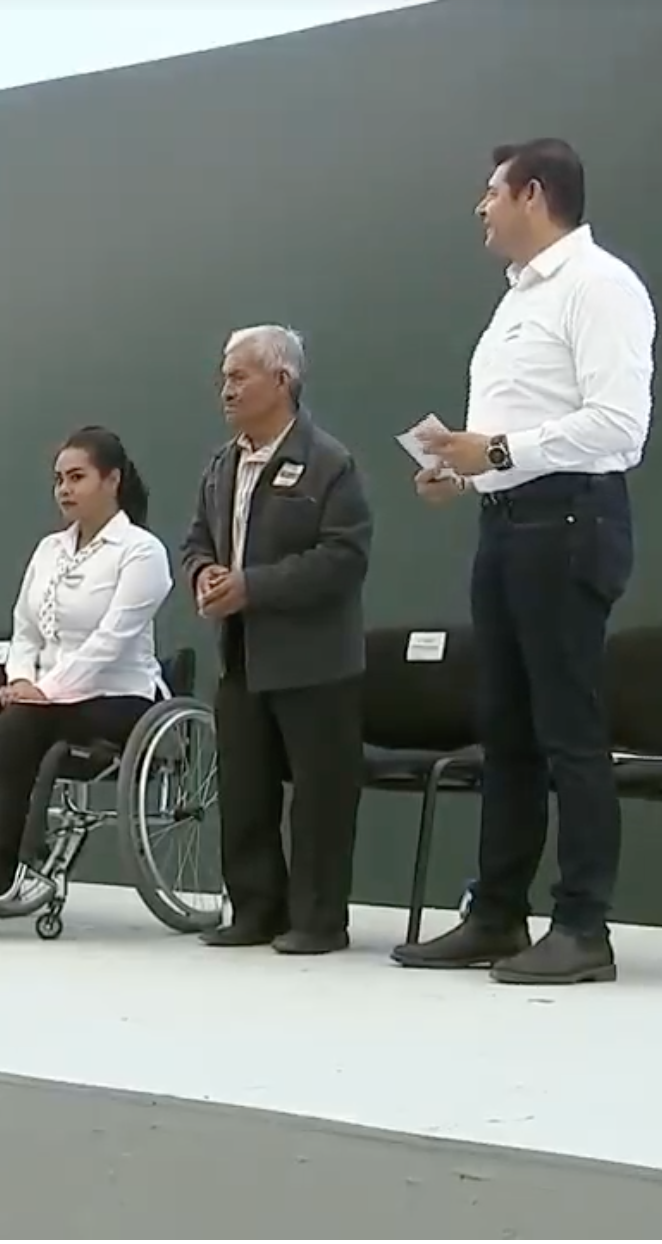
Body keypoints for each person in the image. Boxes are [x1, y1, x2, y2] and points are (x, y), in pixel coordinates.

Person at [399, 138, 655, 986]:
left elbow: (619, 427)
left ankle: (584, 926)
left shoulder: (599, 285)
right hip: (508, 526)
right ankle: (498, 914)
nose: (480, 207)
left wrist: (497, 449)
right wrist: (462, 473)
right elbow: (511, 441)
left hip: (571, 523)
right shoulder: (514, 301)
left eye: (491, 192)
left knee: (569, 730)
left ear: (534, 194)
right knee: (505, 729)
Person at [179, 325, 373, 955]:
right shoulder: (221, 464)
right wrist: (204, 573)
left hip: (315, 661)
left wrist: (253, 587)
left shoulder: (329, 463)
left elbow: (343, 558)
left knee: (319, 798)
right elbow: (196, 541)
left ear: (282, 381)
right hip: (240, 658)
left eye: (239, 376)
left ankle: (318, 921)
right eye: (223, 376)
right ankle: (255, 910)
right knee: (245, 789)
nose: (224, 388)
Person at [0, 427, 169, 901]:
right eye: (59, 479)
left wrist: (46, 690)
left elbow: (111, 642)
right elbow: (26, 630)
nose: (64, 489)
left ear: (112, 480)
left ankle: (8, 860)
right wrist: (21, 679)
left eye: (77, 477)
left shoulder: (142, 552)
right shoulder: (49, 549)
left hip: (117, 696)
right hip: (43, 695)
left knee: (18, 726)